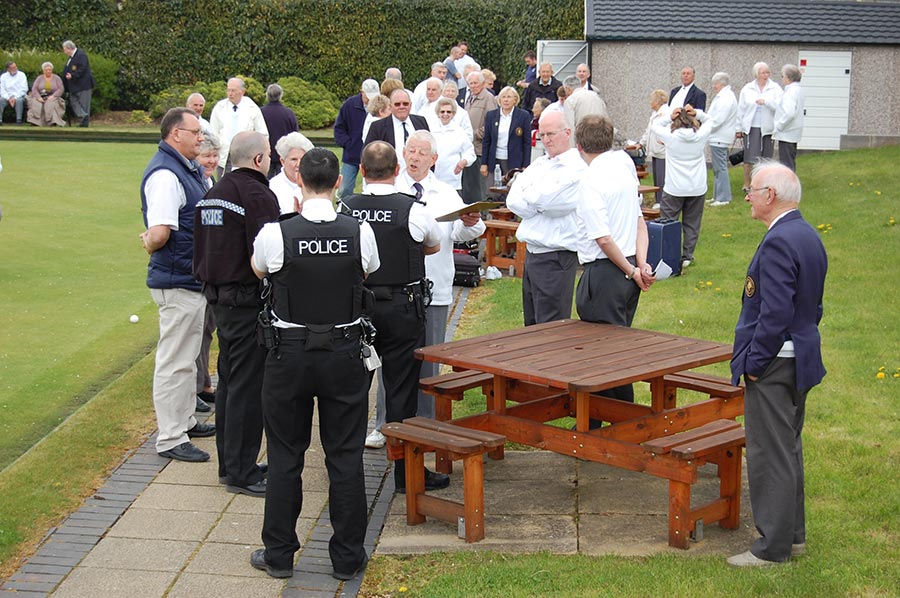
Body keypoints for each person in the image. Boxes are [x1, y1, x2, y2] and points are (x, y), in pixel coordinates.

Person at [249, 148, 378, 581]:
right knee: (345, 456)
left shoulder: (275, 233)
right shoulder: (359, 232)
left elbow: (258, 270)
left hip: (290, 355)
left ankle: (280, 555)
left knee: (285, 455)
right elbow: (366, 273)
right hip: (343, 353)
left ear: (299, 180)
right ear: (338, 183)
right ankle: (346, 558)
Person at [727, 161, 827, 568]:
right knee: (789, 449)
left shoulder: (780, 241)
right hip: (798, 356)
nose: (747, 196)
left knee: (771, 454)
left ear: (770, 195)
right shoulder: (806, 234)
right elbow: (812, 305)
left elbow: (774, 312)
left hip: (775, 363)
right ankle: (793, 536)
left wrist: (754, 362)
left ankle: (772, 548)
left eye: (751, 189)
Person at [339, 141, 446, 493]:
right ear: (397, 170)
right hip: (402, 307)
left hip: (357, 309)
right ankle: (405, 475)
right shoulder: (412, 209)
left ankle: (345, 470)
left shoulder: (345, 207)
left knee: (352, 391)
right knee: (401, 391)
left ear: (363, 172)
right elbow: (432, 245)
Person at [194, 131, 280, 497]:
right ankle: (242, 469)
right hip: (246, 301)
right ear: (259, 159)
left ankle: (231, 463)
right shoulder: (257, 195)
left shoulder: (213, 193)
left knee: (230, 381)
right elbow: (267, 255)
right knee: (246, 387)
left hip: (218, 298)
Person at [139, 107, 215, 463]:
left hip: (190, 278)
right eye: (195, 131)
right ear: (175, 134)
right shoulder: (166, 175)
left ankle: (185, 419)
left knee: (186, 359)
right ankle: (170, 437)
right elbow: (160, 231)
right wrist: (148, 242)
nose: (200, 137)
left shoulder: (187, 168)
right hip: (177, 279)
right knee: (174, 361)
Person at [397, 130, 485, 420]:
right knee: (392, 359)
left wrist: (471, 223)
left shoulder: (446, 193)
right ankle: (387, 420)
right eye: (411, 150)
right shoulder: (392, 187)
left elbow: (459, 234)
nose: (415, 156)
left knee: (429, 357)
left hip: (434, 285)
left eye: (422, 152)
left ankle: (425, 420)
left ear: (434, 159)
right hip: (395, 288)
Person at [574, 115, 654, 409]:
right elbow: (639, 221)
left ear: (579, 145)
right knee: (613, 350)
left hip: (608, 270)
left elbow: (603, 239)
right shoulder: (624, 164)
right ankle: (597, 422)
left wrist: (634, 270)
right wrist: (641, 263)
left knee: (603, 356)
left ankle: (621, 422)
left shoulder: (590, 180)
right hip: (627, 264)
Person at [506, 110, 587, 325]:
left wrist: (534, 198)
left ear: (567, 133)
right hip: (533, 253)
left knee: (551, 327)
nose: (546, 140)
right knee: (531, 326)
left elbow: (552, 203)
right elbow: (513, 199)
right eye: (542, 135)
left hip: (556, 256)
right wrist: (539, 200)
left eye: (550, 134)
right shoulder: (540, 163)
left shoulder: (577, 167)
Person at [652, 105, 715, 270]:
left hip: (674, 187)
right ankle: (687, 255)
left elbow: (655, 126)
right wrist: (698, 113)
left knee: (669, 222)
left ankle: (668, 255)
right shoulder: (700, 136)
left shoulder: (671, 137)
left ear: (676, 122)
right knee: (692, 222)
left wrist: (669, 117)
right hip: (697, 186)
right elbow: (710, 120)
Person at [194, 132, 223, 414]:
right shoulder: (196, 182)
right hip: (198, 269)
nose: (212, 160)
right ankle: (197, 387)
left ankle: (204, 384)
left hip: (211, 268)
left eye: (215, 155)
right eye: (206, 156)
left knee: (207, 329)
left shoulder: (210, 181)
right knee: (199, 329)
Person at [209, 77, 269, 177]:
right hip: (225, 155)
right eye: (228, 90)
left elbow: (262, 133)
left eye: (233, 90)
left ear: (242, 92)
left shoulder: (252, 108)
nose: (230, 93)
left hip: (246, 155)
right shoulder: (219, 107)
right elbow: (213, 132)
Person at [737, 62, 782, 190]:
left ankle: (764, 184)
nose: (766, 75)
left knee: (766, 158)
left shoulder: (775, 88)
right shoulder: (748, 88)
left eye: (768, 72)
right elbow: (741, 109)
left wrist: (766, 102)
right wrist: (738, 128)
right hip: (751, 126)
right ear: (757, 74)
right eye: (763, 73)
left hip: (767, 127)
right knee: (749, 157)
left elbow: (780, 106)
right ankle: (747, 183)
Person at [335, 79, 380, 198]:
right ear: (362, 92)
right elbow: (339, 127)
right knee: (344, 188)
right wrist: (347, 144)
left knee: (372, 189)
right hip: (352, 155)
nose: (370, 99)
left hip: (373, 156)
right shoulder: (350, 104)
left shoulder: (381, 106)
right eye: (368, 96)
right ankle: (342, 211)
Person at [364, 89, 429, 170]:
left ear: (410, 105)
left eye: (405, 104)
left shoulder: (420, 122)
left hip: (418, 175)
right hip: (390, 177)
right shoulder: (378, 127)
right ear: (390, 107)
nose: (402, 107)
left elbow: (430, 149)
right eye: (397, 104)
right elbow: (367, 154)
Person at [460, 71, 498, 203]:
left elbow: (492, 123)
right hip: (469, 148)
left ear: (482, 83)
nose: (473, 86)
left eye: (476, 83)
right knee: (469, 184)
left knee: (479, 185)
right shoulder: (470, 97)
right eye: (471, 83)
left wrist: (474, 134)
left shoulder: (488, 98)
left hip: (479, 148)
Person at [481, 86, 532, 179]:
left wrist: (526, 164)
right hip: (494, 160)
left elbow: (527, 142)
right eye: (503, 97)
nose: (506, 100)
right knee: (494, 190)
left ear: (515, 99)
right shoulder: (491, 115)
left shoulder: (523, 116)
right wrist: (484, 163)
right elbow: (486, 141)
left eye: (509, 97)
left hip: (514, 161)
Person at [706, 72, 739, 207]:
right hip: (716, 136)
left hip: (720, 136)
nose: (714, 86)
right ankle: (717, 195)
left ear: (721, 83)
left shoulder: (726, 97)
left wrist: (706, 127)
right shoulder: (722, 96)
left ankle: (724, 197)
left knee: (721, 168)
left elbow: (719, 118)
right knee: (717, 168)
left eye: (715, 84)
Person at [428, 97, 476, 191]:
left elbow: (469, 151)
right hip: (432, 177)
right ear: (438, 113)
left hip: (452, 179)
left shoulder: (459, 132)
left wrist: (464, 161)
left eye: (448, 112)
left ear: (453, 114)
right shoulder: (430, 130)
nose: (445, 114)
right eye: (442, 112)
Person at [635, 89, 669, 205]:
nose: (650, 102)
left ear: (657, 101)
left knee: (662, 178)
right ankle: (658, 200)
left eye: (651, 100)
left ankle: (662, 201)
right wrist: (641, 143)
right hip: (655, 151)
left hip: (662, 151)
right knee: (657, 178)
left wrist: (664, 142)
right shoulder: (654, 114)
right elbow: (648, 131)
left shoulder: (666, 113)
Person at [269, 131, 315, 214]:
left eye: (303, 159)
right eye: (294, 159)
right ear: (283, 161)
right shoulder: (273, 187)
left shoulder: (315, 184)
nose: (299, 164)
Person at [260, 84, 299, 179]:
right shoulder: (288, 113)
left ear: (267, 95)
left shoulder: (260, 112)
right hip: (283, 154)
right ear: (281, 95)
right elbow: (295, 135)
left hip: (265, 154)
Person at [773, 64, 805, 172]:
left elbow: (789, 113)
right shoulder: (797, 90)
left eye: (782, 76)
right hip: (792, 132)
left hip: (787, 132)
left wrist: (779, 126)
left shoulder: (791, 92)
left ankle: (789, 187)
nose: (782, 79)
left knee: (787, 165)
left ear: (788, 78)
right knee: (789, 162)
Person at [561, 75, 609, 145]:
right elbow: (606, 119)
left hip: (584, 140)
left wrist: (572, 150)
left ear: (567, 89)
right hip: (601, 138)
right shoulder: (596, 96)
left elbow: (570, 127)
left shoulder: (570, 100)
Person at [61, 41, 95, 127]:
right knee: (73, 101)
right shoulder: (71, 57)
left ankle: (84, 123)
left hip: (83, 85)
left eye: (65, 49)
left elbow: (83, 68)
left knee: (84, 105)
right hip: (75, 85)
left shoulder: (81, 55)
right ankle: (83, 117)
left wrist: (73, 75)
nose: (64, 52)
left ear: (69, 48)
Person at [26, 62, 66, 127]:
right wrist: (38, 97)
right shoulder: (39, 78)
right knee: (36, 103)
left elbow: (61, 89)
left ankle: (52, 122)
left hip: (53, 96)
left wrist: (53, 96)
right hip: (41, 96)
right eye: (46, 70)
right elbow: (34, 89)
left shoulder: (57, 78)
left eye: (49, 70)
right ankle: (35, 122)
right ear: (43, 71)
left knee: (50, 103)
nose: (48, 71)